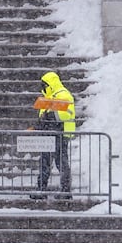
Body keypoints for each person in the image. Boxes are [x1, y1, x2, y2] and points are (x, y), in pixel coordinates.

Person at [34, 70, 77, 198]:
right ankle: (42, 189)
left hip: (60, 133)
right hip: (49, 133)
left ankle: (65, 191)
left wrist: (49, 116)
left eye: (45, 85)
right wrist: (40, 123)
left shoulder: (63, 94)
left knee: (60, 162)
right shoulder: (48, 97)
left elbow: (66, 113)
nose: (43, 88)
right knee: (45, 162)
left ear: (50, 84)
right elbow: (43, 116)